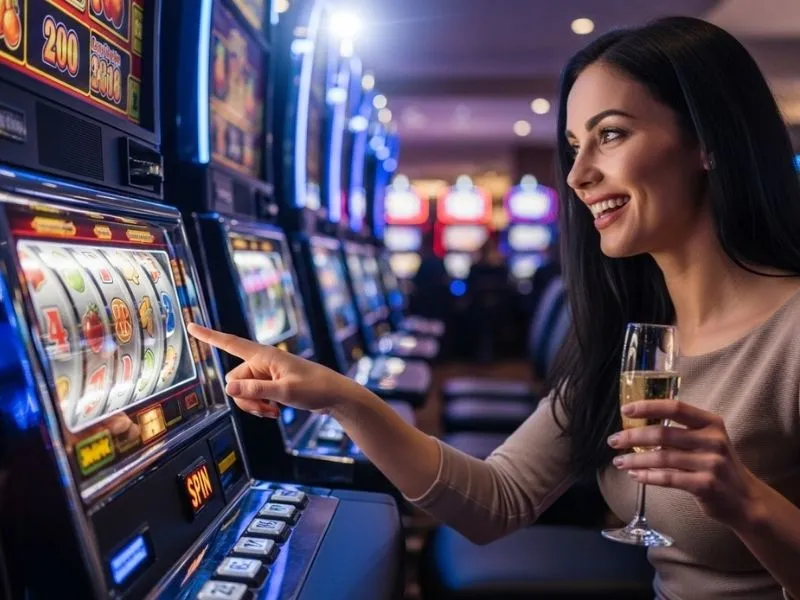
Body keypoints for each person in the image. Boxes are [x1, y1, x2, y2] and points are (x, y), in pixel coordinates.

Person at [188, 16, 800, 600]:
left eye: (611, 134)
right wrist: (343, 397)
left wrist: (750, 504)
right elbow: (496, 500)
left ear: (707, 143)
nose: (578, 174)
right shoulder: (630, 338)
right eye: (573, 145)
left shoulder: (790, 335)